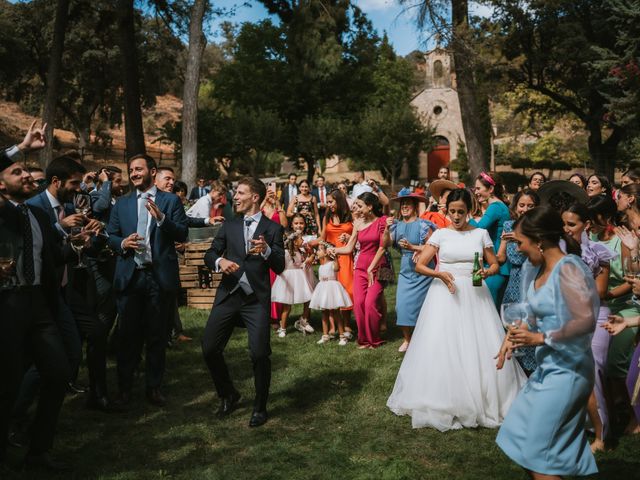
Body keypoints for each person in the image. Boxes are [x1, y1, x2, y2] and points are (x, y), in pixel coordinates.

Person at [387, 188, 526, 430]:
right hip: (443, 294)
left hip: (475, 293)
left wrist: (487, 271)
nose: (457, 216)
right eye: (452, 211)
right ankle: (443, 396)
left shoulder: (480, 234)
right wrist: (439, 273)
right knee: (442, 343)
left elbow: (495, 263)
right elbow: (420, 264)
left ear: (469, 210)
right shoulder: (440, 234)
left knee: (477, 342)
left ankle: (481, 394)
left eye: (461, 211)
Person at [496, 206, 599, 478]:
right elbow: (536, 314)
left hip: (570, 371)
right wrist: (513, 335)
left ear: (539, 239)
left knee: (537, 453)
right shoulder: (539, 270)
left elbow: (585, 320)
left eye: (519, 242)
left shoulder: (569, 269)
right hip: (549, 369)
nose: (516, 249)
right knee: (519, 436)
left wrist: (541, 337)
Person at [0, 138, 75, 472]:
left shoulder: (39, 216)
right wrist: (21, 147)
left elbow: (52, 257)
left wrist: (77, 244)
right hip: (8, 304)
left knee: (58, 373)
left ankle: (38, 451)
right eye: (18, 172)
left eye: (29, 172)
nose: (28, 177)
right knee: (7, 383)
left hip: (39, 305)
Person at [201, 177, 285, 428]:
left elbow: (280, 266)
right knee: (209, 348)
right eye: (235, 192)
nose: (235, 197)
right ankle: (228, 394)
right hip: (229, 294)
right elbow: (210, 254)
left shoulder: (272, 229)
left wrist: (268, 250)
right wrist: (220, 262)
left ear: (255, 197)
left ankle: (260, 407)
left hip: (255, 300)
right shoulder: (229, 226)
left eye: (240, 193)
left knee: (259, 354)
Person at [106, 153, 189, 407]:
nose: (134, 174)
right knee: (127, 336)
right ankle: (124, 389)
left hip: (158, 276)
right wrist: (122, 242)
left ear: (152, 172)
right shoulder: (122, 203)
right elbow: (110, 235)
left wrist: (162, 219)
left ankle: (153, 387)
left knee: (156, 335)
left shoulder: (170, 200)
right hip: (131, 276)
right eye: (131, 170)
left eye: (139, 169)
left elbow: (182, 231)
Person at [562, 203, 616, 452]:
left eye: (571, 224)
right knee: (572, 373)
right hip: (570, 316)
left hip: (597, 316)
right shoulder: (559, 251)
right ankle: (580, 426)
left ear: (587, 225)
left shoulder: (599, 252)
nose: (566, 229)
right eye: (564, 224)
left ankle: (602, 433)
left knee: (593, 369)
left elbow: (601, 291)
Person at [332, 193, 390, 349]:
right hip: (360, 268)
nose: (356, 208)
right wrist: (334, 250)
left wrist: (372, 267)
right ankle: (363, 340)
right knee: (358, 304)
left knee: (370, 303)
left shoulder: (382, 221)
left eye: (360, 205)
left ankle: (375, 339)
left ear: (370, 207)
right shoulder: (357, 223)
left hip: (380, 268)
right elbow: (350, 247)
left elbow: (383, 247)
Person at [384, 189, 436, 352]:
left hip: (425, 269)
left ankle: (426, 338)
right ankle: (407, 339)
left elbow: (433, 246)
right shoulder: (396, 226)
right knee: (402, 306)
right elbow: (385, 244)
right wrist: (386, 229)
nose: (404, 207)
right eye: (402, 204)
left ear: (414, 207)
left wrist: (417, 249)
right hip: (406, 270)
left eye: (408, 204)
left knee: (424, 306)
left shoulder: (423, 225)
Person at [496, 189, 540, 373]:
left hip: (534, 280)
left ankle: (533, 371)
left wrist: (521, 238)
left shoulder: (539, 229)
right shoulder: (508, 225)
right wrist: (503, 245)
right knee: (513, 327)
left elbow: (529, 257)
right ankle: (517, 373)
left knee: (531, 325)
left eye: (530, 206)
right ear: (516, 206)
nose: (525, 209)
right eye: (522, 205)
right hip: (514, 282)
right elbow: (502, 258)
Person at [315, 189, 354, 340]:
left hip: (346, 257)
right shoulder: (328, 217)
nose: (328, 204)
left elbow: (356, 235)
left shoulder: (350, 216)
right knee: (331, 290)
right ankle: (332, 326)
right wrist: (308, 244)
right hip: (330, 259)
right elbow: (322, 237)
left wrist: (349, 236)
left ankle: (346, 324)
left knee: (346, 290)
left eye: (331, 201)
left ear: (339, 201)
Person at [271, 215, 316, 338]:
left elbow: (310, 256)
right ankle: (283, 328)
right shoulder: (286, 252)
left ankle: (303, 321)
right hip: (290, 280)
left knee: (308, 299)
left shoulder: (302, 249)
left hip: (301, 278)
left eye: (301, 223)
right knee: (287, 305)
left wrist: (309, 257)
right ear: (295, 241)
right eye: (300, 240)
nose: (302, 241)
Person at [471, 171, 511, 305]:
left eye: (478, 188)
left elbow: (478, 229)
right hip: (495, 262)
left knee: (489, 308)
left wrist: (466, 216)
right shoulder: (499, 206)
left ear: (491, 189)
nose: (475, 192)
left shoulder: (495, 207)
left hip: (498, 263)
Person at [309, 242, 352, 345]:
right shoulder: (320, 266)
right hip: (323, 289)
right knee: (324, 313)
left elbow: (337, 268)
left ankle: (342, 336)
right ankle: (325, 335)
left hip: (332, 289)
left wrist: (335, 257)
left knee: (336, 312)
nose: (317, 252)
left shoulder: (332, 263)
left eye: (319, 250)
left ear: (326, 253)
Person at [261, 184, 287, 327]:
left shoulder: (279, 208)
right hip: (262, 247)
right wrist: (264, 200)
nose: (270, 195)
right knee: (263, 283)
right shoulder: (261, 208)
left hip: (276, 248)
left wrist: (278, 204)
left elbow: (283, 224)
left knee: (275, 282)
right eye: (268, 192)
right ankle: (263, 314)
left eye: (272, 193)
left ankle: (275, 316)